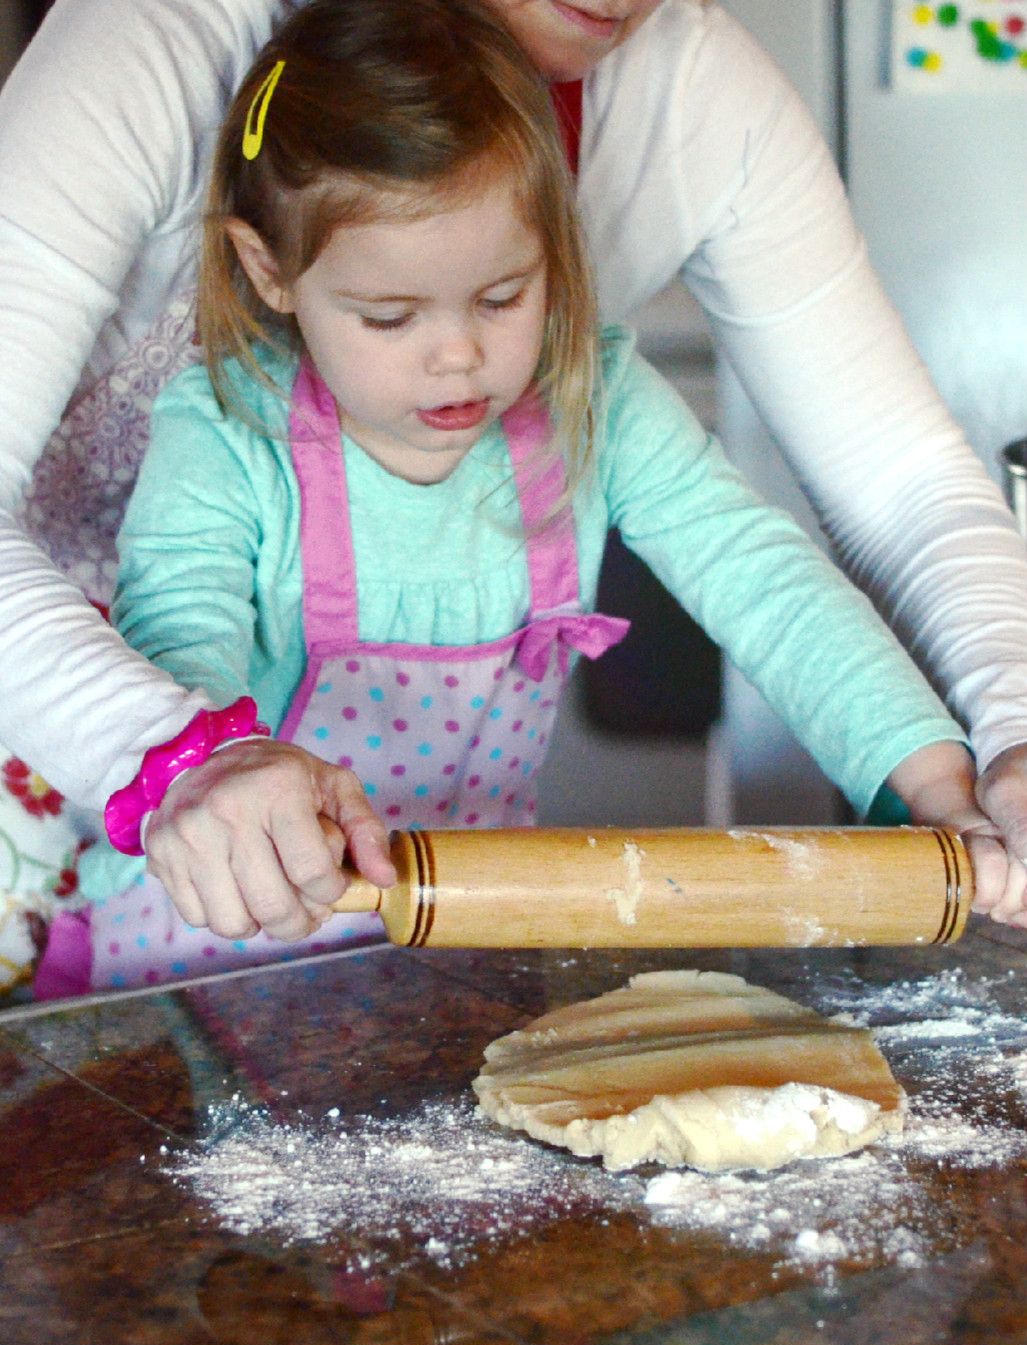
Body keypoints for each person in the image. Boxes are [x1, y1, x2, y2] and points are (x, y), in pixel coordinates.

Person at [0, 0, 1024, 990]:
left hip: (455, 968)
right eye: (388, 316)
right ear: (269, 273)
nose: (457, 357)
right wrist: (205, 767)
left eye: (502, 297)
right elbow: (182, 628)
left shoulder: (595, 397)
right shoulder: (227, 431)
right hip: (206, 959)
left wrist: (942, 774)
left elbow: (775, 584)